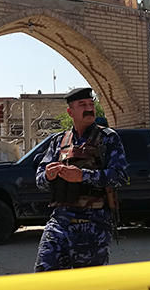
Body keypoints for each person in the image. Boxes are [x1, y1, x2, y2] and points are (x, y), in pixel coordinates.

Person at [34, 88, 129, 271]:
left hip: (93, 225)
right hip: (59, 224)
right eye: (82, 105)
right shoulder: (59, 141)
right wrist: (48, 175)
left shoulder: (108, 139)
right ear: (70, 112)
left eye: (91, 105)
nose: (89, 108)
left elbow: (121, 176)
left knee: (89, 288)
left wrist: (83, 176)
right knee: (44, 281)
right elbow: (39, 179)